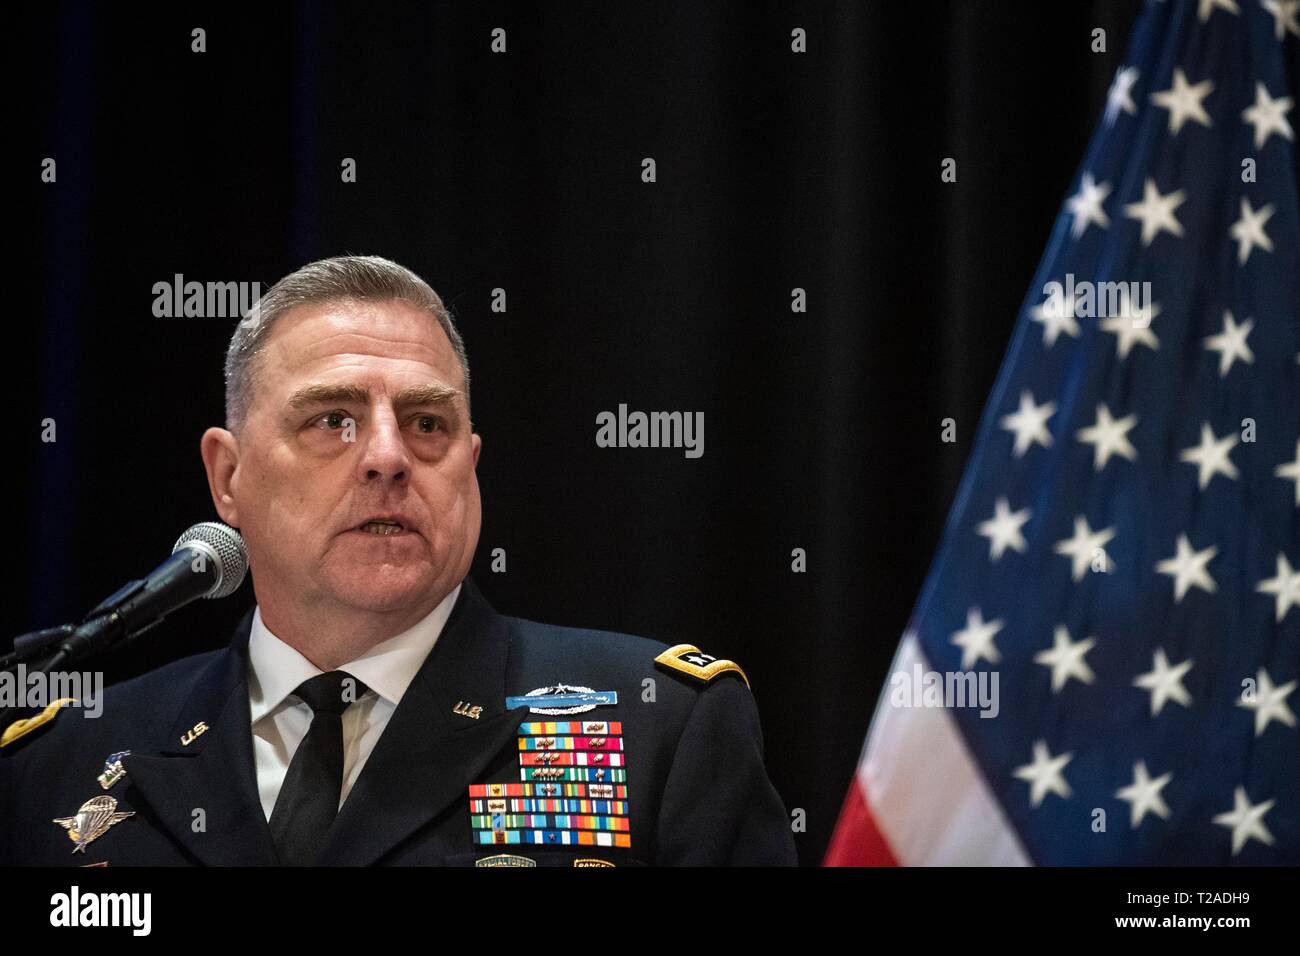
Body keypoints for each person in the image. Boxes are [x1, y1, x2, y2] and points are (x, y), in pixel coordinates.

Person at [0, 255, 796, 866]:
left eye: (426, 422)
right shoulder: (57, 766)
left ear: (469, 462)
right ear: (229, 477)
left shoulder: (661, 726)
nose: (387, 455)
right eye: (332, 419)